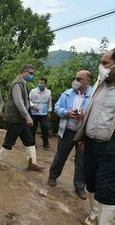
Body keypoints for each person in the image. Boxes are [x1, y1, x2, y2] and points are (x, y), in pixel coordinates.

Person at [74, 49, 115, 225]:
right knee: (90, 181)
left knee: (106, 188)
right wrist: (83, 136)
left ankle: (106, 221)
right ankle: (94, 214)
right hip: (91, 144)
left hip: (110, 149)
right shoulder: (100, 86)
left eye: (105, 63)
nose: (101, 67)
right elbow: (91, 113)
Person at [47, 70, 92, 200]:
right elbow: (57, 107)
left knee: (82, 161)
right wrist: (66, 112)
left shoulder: (94, 95)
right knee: (60, 156)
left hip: (84, 133)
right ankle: (53, 176)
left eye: (78, 79)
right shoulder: (67, 93)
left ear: (87, 81)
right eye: (75, 78)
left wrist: (85, 116)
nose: (75, 81)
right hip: (67, 131)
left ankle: (79, 187)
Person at [0, 65, 45, 171]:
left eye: (32, 73)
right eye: (30, 73)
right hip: (15, 119)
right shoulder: (17, 84)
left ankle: (32, 163)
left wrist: (27, 114)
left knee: (29, 140)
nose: (32, 75)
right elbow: (19, 103)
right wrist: (28, 117)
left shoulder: (23, 84)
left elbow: (25, 101)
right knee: (9, 141)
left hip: (21, 119)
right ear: (24, 72)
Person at [29, 77, 52, 148]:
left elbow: (49, 102)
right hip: (34, 112)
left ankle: (45, 143)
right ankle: (32, 143)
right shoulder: (33, 91)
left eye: (42, 83)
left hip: (44, 113)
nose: (40, 84)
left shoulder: (48, 92)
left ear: (45, 84)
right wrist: (33, 106)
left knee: (45, 127)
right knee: (32, 128)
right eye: (39, 82)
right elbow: (28, 100)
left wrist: (49, 112)